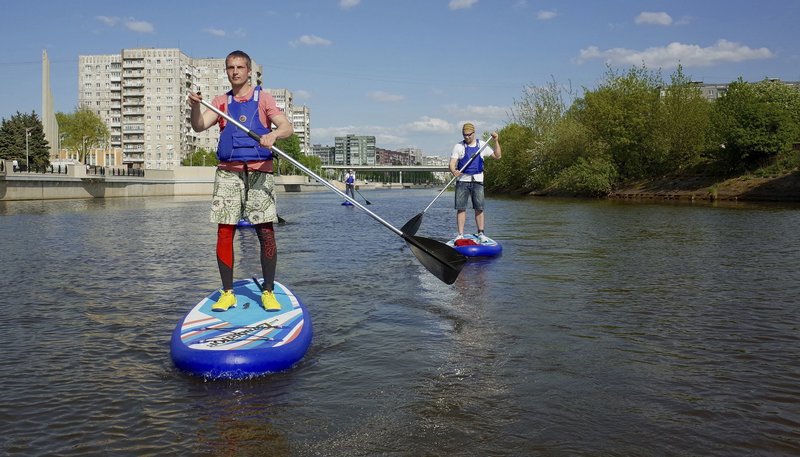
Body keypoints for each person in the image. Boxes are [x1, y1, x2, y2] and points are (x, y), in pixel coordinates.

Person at [187, 50, 293, 312]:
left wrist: (273, 135)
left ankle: (268, 291)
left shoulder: (263, 98)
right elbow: (199, 126)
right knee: (225, 231)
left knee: (265, 232)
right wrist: (195, 107)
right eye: (230, 67)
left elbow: (287, 127)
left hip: (259, 172)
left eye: (240, 67)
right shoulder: (220, 102)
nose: (235, 72)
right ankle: (227, 293)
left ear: (248, 71)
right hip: (228, 173)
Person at [449, 122, 502, 243]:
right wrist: (454, 171)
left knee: (479, 208)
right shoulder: (458, 146)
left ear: (474, 133)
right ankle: (460, 234)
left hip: (478, 181)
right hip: (462, 181)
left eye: (469, 134)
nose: (467, 137)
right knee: (461, 208)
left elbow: (497, 156)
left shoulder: (482, 145)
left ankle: (481, 233)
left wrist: (496, 141)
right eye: (465, 135)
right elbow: (452, 164)